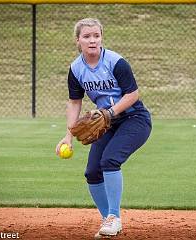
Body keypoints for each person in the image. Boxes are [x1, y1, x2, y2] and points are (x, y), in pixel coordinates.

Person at [56, 18, 152, 239]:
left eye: (96, 36)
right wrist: (68, 135)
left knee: (110, 160)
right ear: (77, 40)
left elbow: (133, 95)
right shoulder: (76, 69)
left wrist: (110, 112)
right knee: (92, 172)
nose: (92, 40)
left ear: (101, 38)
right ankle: (108, 219)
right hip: (106, 123)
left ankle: (113, 217)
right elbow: (74, 102)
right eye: (87, 36)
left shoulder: (116, 62)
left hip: (134, 119)